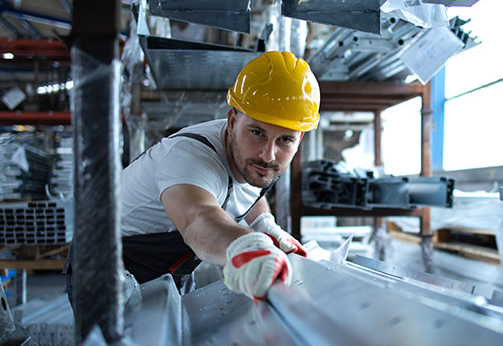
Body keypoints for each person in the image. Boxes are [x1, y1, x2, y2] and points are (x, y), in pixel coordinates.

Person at [65, 50, 320, 301]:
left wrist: (264, 223)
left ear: (300, 139)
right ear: (232, 121)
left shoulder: (251, 160)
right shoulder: (188, 159)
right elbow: (197, 219)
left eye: (285, 139)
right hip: (109, 268)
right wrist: (246, 245)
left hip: (171, 267)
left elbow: (249, 191)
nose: (268, 155)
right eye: (257, 133)